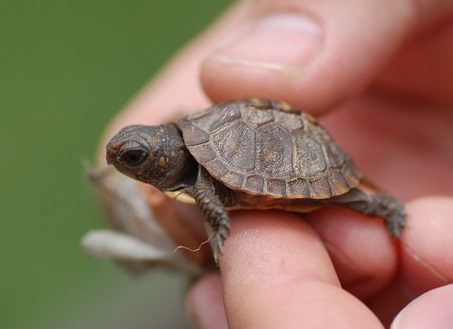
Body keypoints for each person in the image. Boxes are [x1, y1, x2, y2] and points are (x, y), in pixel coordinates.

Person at [100, 1, 453, 328]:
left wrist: (219, 225)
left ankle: (385, 207)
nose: (127, 163)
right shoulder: (188, 134)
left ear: (165, 158)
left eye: (135, 158)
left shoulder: (202, 174)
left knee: (344, 199)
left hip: (308, 157)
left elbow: (209, 195)